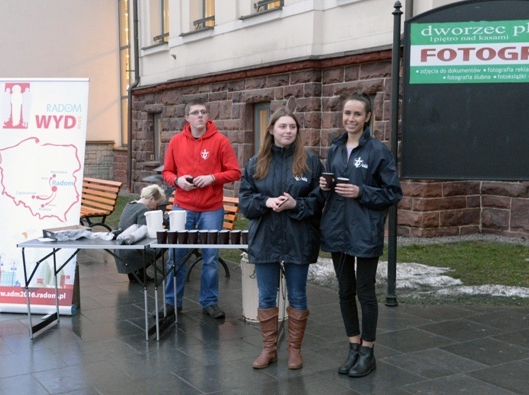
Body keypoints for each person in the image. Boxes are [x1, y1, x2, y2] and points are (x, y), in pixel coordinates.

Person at [319, 92, 402, 378]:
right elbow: (331, 185)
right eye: (346, 113)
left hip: (365, 231)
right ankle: (353, 347)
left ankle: (368, 351)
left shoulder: (378, 151)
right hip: (338, 230)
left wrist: (361, 191)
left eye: (357, 114)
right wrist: (325, 184)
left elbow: (393, 193)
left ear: (367, 117)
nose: (350, 119)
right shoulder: (335, 148)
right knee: (345, 291)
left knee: (365, 293)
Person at [239, 107, 323, 370]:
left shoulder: (310, 162)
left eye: (292, 127)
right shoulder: (256, 162)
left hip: (299, 238)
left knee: (298, 295)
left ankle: (294, 350)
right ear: (272, 130)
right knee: (266, 296)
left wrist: (296, 205)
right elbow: (245, 201)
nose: (288, 131)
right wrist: (266, 201)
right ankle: (268, 349)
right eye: (283, 126)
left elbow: (320, 201)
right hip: (266, 238)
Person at [161, 98, 241, 319]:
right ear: (187, 118)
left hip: (211, 209)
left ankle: (209, 302)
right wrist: (178, 181)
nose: (200, 116)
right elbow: (166, 172)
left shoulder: (220, 141)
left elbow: (235, 172)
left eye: (203, 112)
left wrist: (212, 178)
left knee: (210, 258)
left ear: (207, 117)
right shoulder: (176, 141)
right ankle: (172, 302)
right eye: (195, 112)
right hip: (182, 207)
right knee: (175, 256)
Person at [115, 184, 166, 282]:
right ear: (151, 199)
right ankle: (139, 270)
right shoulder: (143, 210)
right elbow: (142, 234)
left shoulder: (130, 204)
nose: (156, 207)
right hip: (130, 250)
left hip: (121, 247)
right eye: (157, 203)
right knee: (163, 244)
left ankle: (137, 272)